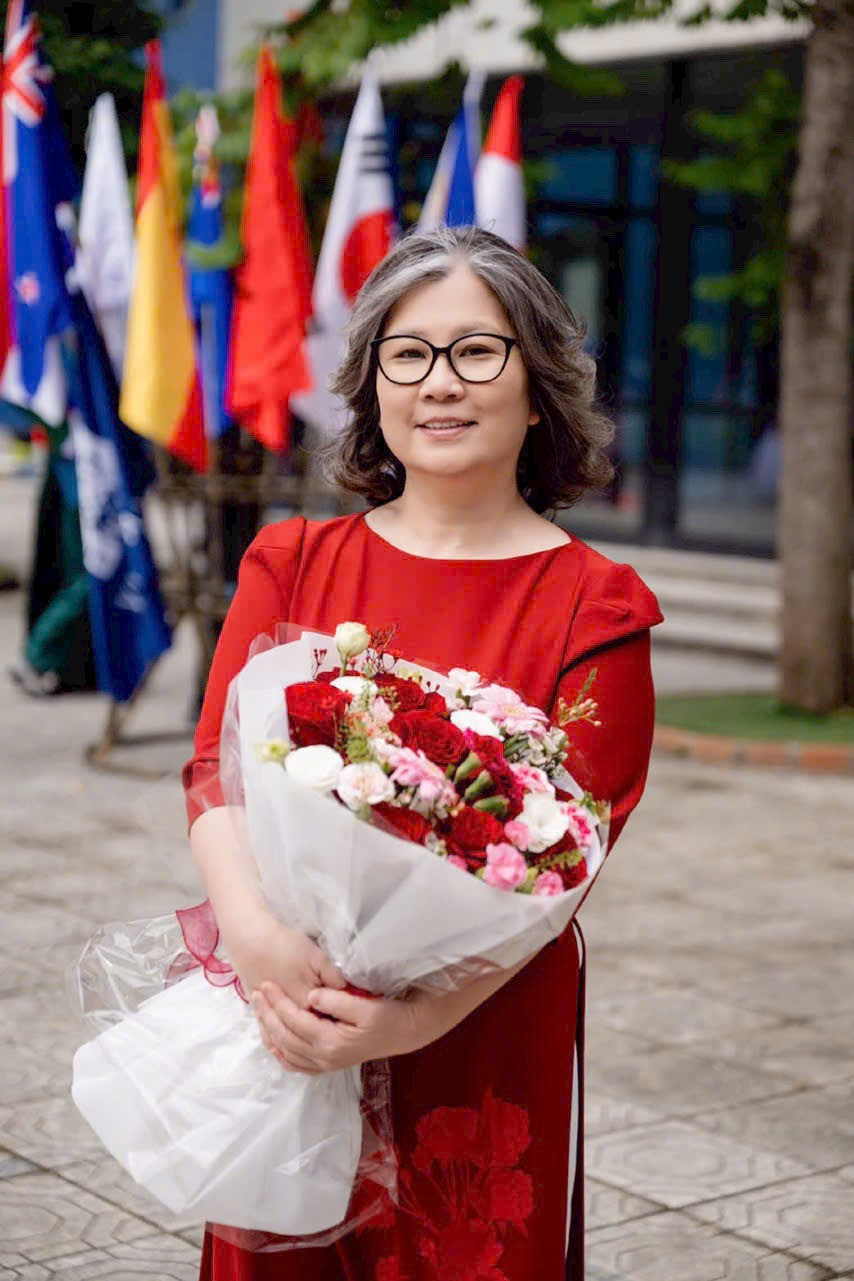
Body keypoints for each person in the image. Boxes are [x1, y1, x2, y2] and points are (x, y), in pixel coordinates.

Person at [183, 225, 663, 1281]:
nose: (440, 382)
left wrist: (408, 1024)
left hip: (485, 1025)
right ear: (372, 388)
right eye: (408, 354)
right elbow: (215, 771)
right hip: (288, 1002)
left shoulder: (596, 608)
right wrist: (258, 941)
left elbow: (564, 869)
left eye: (476, 351)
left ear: (537, 389)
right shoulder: (290, 561)